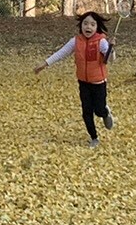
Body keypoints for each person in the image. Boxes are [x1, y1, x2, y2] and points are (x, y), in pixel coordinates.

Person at [36, 10, 115, 145]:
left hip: (98, 82)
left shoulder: (101, 42)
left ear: (97, 27)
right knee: (86, 112)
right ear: (81, 26)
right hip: (83, 82)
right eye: (85, 24)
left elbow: (110, 60)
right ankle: (94, 138)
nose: (88, 27)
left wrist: (111, 49)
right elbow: (61, 53)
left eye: (92, 24)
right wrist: (45, 64)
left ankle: (105, 112)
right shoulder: (75, 41)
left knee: (99, 110)